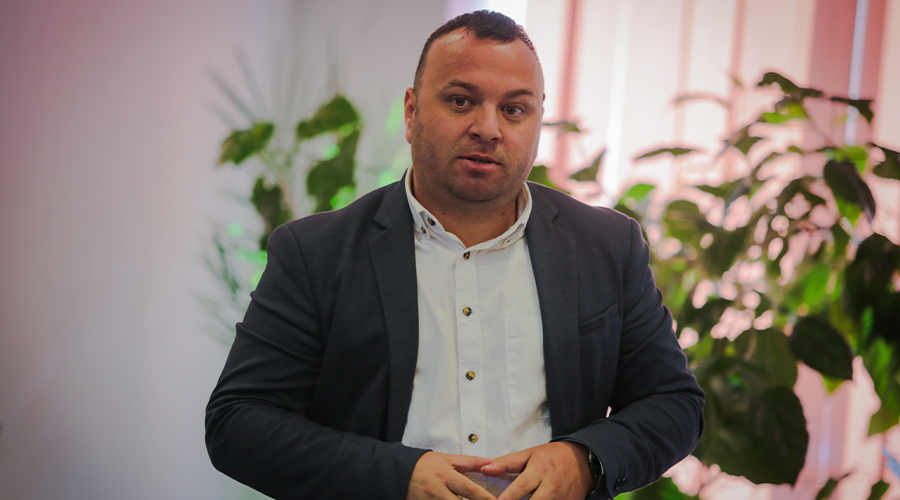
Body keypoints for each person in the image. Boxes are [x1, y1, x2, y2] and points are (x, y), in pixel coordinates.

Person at [206, 10, 703, 500]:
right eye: (461, 101)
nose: (488, 128)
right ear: (411, 111)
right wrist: (396, 476)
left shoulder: (607, 245)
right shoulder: (315, 252)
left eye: (514, 109)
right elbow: (239, 422)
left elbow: (674, 404)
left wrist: (585, 459)